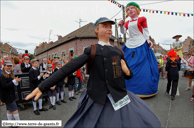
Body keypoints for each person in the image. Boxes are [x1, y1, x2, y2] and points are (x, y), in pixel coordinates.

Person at [25, 17, 161, 128]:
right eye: (105, 26)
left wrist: (126, 70)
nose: (108, 29)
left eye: (110, 27)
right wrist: (42, 86)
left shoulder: (119, 51)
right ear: (97, 29)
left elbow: (129, 75)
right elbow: (67, 69)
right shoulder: (92, 50)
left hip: (119, 97)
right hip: (98, 98)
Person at [119, 2, 159, 97]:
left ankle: (142, 89)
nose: (130, 10)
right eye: (128, 9)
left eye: (132, 8)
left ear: (137, 10)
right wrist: (121, 25)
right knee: (125, 62)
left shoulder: (142, 19)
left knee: (144, 66)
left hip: (141, 43)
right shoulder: (127, 22)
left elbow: (145, 30)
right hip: (130, 43)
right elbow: (123, 32)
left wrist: (148, 39)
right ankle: (126, 88)